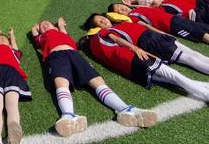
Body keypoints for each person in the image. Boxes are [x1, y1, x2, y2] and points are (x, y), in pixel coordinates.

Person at [31, 18, 156, 138]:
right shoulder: (41, 37)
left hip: (75, 55)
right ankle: (68, 116)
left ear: (54, 27)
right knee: (61, 82)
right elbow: (34, 31)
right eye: (42, 26)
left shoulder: (61, 32)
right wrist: (36, 28)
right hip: (56, 56)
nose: (44, 25)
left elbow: (63, 30)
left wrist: (60, 25)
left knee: (98, 82)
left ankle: (125, 109)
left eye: (47, 23)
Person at [79, 29, 209, 102]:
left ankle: (205, 88)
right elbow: (117, 39)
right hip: (133, 57)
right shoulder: (99, 34)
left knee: (171, 80)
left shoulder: (94, 52)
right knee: (174, 76)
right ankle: (206, 95)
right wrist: (135, 48)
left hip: (129, 69)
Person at [85, 13, 209, 75]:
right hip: (149, 42)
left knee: (194, 53)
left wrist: (163, 33)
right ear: (98, 28)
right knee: (188, 58)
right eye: (99, 22)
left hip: (158, 37)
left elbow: (146, 26)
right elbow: (119, 42)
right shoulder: (109, 32)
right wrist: (135, 48)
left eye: (101, 18)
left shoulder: (125, 20)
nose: (103, 20)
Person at [108, 2, 209, 44]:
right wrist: (164, 34)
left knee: (203, 27)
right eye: (119, 10)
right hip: (172, 25)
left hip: (175, 18)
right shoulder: (132, 17)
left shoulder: (137, 9)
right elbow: (146, 26)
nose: (122, 8)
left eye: (120, 6)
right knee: (199, 33)